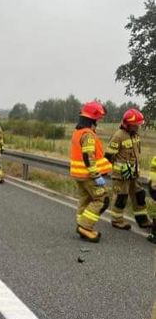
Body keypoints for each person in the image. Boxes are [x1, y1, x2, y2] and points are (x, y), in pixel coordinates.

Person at [69, 101, 112, 242]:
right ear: (92, 118)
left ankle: (82, 225)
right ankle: (85, 227)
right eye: (98, 118)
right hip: (89, 175)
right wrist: (96, 175)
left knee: (85, 200)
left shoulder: (78, 132)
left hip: (79, 174)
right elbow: (88, 157)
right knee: (102, 200)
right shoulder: (88, 135)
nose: (99, 121)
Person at [105, 109, 152, 230]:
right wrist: (120, 167)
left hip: (133, 173)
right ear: (127, 124)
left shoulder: (135, 135)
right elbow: (108, 156)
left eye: (138, 125)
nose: (137, 127)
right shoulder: (118, 136)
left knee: (139, 195)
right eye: (135, 125)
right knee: (121, 197)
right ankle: (117, 220)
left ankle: (143, 220)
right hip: (121, 176)